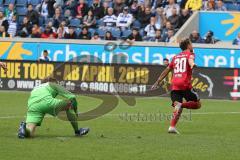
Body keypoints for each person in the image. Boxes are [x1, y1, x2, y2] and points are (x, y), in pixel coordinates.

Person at [151, 38, 201, 134]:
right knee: (197, 105)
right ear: (188, 45)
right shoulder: (190, 54)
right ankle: (181, 105)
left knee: (177, 107)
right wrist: (192, 64)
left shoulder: (175, 57)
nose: (192, 45)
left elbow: (167, 70)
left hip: (175, 85)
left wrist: (158, 81)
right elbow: (191, 60)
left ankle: (172, 127)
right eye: (191, 43)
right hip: (185, 84)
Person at [18, 77, 90, 138]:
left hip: (32, 105)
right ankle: (77, 131)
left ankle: (24, 128)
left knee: (30, 131)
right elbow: (72, 97)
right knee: (69, 104)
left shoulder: (36, 88)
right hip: (47, 101)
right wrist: (76, 111)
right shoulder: (53, 84)